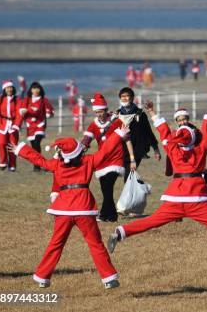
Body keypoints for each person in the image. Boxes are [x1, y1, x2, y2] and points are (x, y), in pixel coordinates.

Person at [107, 92, 207, 257]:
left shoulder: (172, 148)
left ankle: (120, 233)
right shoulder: (201, 149)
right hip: (196, 197)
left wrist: (152, 112)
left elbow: (163, 131)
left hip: (175, 196)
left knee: (151, 221)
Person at [8, 127, 127, 289]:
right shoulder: (89, 160)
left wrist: (20, 150)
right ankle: (109, 278)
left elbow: (39, 160)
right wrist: (118, 134)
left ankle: (42, 276)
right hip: (84, 208)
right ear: (79, 152)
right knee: (95, 244)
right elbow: (106, 150)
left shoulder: (57, 165)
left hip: (63, 209)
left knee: (55, 244)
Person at [82, 93, 130, 222]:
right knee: (105, 188)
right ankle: (112, 216)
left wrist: (132, 158)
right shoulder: (94, 125)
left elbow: (127, 140)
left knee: (108, 185)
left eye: (101, 111)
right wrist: (78, 150)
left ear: (106, 110)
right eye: (96, 112)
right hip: (102, 160)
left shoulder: (116, 121)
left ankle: (104, 214)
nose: (99, 114)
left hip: (116, 159)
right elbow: (86, 141)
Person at [116, 87, 161, 182]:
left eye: (127, 96)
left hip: (137, 149)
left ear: (132, 98)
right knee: (127, 176)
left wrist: (156, 149)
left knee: (128, 176)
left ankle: (133, 193)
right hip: (121, 150)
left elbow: (148, 132)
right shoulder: (117, 114)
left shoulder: (140, 114)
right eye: (122, 96)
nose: (124, 98)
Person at [19, 82, 54, 171]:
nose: (35, 90)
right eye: (34, 88)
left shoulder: (43, 100)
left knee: (37, 143)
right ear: (30, 90)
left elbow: (50, 111)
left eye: (37, 88)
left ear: (40, 90)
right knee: (34, 147)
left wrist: (48, 114)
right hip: (30, 126)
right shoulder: (27, 99)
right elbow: (22, 110)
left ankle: (40, 165)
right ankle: (38, 165)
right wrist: (24, 112)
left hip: (40, 124)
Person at [0, 80, 22, 171]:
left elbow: (19, 114)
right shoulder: (0, 99)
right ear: (4, 89)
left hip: (13, 125)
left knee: (12, 145)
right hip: (2, 125)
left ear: (13, 88)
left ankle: (12, 165)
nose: (9, 89)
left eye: (11, 87)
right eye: (7, 88)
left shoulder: (18, 100)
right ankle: (3, 161)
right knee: (1, 144)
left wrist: (17, 125)